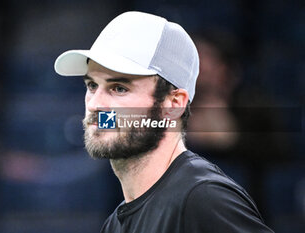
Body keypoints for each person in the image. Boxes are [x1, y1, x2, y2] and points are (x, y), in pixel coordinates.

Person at [54, 11, 274, 233]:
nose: (95, 104)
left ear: (174, 104)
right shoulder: (115, 224)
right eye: (92, 86)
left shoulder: (203, 199)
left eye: (119, 88)